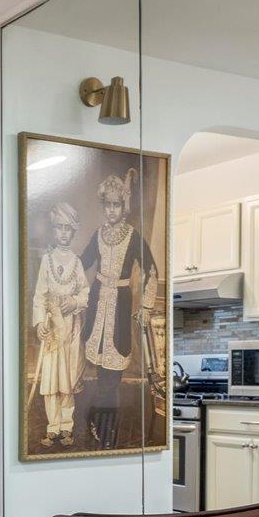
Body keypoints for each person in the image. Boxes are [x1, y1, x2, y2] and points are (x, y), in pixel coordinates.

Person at [80, 168, 161, 449]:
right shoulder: (98, 234)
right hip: (97, 305)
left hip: (120, 306)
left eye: (117, 205)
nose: (112, 211)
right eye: (108, 205)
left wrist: (147, 306)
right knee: (103, 375)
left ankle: (105, 430)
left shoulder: (133, 236)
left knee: (111, 378)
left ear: (123, 205)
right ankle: (98, 423)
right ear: (103, 205)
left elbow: (152, 271)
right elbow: (83, 264)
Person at [31, 201, 87, 448]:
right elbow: (39, 296)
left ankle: (67, 426)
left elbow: (84, 293)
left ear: (73, 231)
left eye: (68, 228)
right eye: (59, 228)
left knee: (67, 382)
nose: (63, 233)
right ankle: (52, 426)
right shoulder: (47, 261)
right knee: (51, 381)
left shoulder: (76, 262)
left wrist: (74, 302)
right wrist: (40, 322)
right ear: (53, 230)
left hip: (70, 332)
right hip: (53, 331)